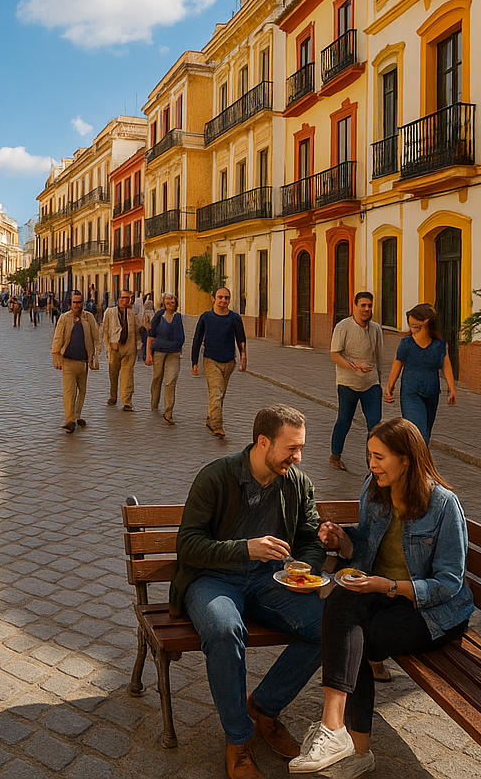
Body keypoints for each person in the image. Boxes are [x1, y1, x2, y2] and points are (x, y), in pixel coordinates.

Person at [288, 418, 474, 777]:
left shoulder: (444, 505)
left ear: (406, 459)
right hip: (382, 594)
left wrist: (388, 587)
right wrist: (340, 540)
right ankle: (335, 730)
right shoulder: (375, 491)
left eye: (379, 457)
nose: (371, 465)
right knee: (342, 601)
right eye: (369, 455)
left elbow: (449, 584)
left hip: (432, 611)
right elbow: (364, 546)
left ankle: (355, 750)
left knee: (357, 638)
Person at [171, 404, 326, 779]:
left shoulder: (298, 483)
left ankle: (264, 708)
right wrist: (245, 548)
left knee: (330, 624)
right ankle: (239, 741)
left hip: (270, 582)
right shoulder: (216, 477)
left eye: (301, 447)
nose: (298, 456)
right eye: (291, 448)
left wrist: (305, 568)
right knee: (225, 630)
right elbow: (187, 545)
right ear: (262, 441)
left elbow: (309, 538)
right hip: (212, 579)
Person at [328, 292, 385, 471]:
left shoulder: (376, 329)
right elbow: (334, 354)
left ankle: (372, 461)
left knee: (375, 423)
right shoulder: (343, 327)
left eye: (369, 305)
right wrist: (353, 366)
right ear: (355, 306)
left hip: (371, 383)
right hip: (347, 383)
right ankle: (335, 454)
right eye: (363, 305)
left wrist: (381, 382)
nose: (367, 309)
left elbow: (379, 356)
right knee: (344, 419)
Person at [384, 303, 457, 444]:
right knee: (417, 431)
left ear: (426, 322)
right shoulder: (406, 343)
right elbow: (397, 364)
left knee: (426, 432)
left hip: (432, 393)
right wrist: (389, 387)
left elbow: (446, 365)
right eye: (410, 324)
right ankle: (416, 463)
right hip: (410, 392)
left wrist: (452, 388)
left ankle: (416, 461)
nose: (411, 328)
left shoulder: (439, 345)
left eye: (414, 325)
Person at [191, 287, 247, 438]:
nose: (223, 300)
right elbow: (197, 339)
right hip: (211, 360)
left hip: (229, 361)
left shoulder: (234, 318)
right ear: (213, 298)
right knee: (217, 392)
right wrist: (194, 361)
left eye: (226, 298)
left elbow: (241, 338)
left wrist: (243, 357)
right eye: (220, 297)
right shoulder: (206, 317)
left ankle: (211, 418)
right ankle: (217, 425)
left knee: (220, 393)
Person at [51, 289, 100, 433]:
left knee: (82, 391)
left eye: (79, 302)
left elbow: (96, 338)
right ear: (70, 303)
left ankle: (77, 415)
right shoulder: (64, 318)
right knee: (69, 391)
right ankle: (70, 419)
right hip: (68, 362)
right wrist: (56, 356)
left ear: (82, 303)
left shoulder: (89, 318)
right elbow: (58, 338)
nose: (77, 305)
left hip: (84, 362)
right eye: (74, 302)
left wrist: (95, 358)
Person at [146, 292, 185, 425]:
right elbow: (150, 336)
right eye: (167, 302)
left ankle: (168, 412)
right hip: (159, 351)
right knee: (158, 377)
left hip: (174, 353)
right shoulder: (158, 316)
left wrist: (179, 346)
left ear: (176, 304)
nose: (170, 305)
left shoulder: (178, 317)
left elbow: (181, 334)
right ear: (164, 303)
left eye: (172, 303)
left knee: (171, 380)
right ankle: (154, 403)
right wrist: (148, 354)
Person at [102, 289, 141, 411]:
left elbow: (138, 330)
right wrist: (108, 348)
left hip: (129, 347)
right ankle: (113, 395)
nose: (127, 300)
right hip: (114, 347)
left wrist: (138, 346)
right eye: (124, 298)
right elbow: (104, 330)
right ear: (119, 299)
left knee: (128, 375)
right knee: (113, 374)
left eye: (129, 298)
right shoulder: (110, 312)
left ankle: (127, 401)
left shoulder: (133, 314)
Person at [140, 292, 155, 362]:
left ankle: (144, 354)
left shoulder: (145, 313)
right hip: (150, 330)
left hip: (146, 330)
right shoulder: (153, 313)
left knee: (145, 342)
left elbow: (144, 322)